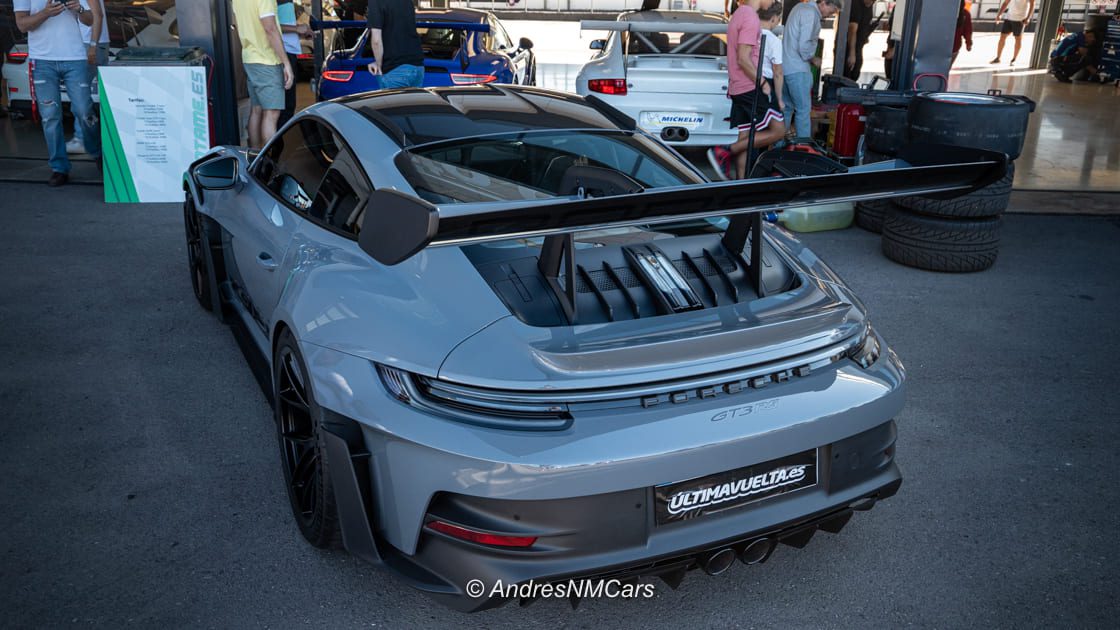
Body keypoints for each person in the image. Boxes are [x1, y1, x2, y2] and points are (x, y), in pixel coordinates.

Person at [14, 0, 102, 187]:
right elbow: (21, 25)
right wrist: (46, 12)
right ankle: (59, 168)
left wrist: (78, 8)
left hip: (75, 57)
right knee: (50, 116)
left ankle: (97, 153)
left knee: (84, 110)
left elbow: (89, 20)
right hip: (42, 60)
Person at [705, 0, 785, 181]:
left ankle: (742, 180)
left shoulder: (738, 14)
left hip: (737, 85)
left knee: (746, 133)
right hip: (751, 85)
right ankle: (724, 151)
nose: (773, 1)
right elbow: (743, 58)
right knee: (779, 130)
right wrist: (763, 82)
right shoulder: (750, 18)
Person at [231, 0, 294, 149]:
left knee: (256, 109)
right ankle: (266, 165)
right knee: (271, 114)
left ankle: (253, 159)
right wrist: (286, 63)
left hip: (250, 57)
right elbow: (270, 28)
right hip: (267, 60)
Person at [782, 0, 843, 139]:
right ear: (824, 3)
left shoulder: (799, 7)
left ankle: (778, 146)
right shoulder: (811, 14)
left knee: (786, 110)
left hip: (785, 68)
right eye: (832, 11)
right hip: (798, 69)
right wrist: (813, 58)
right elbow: (804, 45)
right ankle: (803, 147)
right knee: (803, 111)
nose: (829, 15)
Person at [68, 0, 107, 155]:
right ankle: (85, 138)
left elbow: (98, 15)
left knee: (80, 97)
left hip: (89, 43)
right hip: (93, 43)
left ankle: (82, 139)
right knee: (81, 97)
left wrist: (92, 45)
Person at [365, 0, 425, 90]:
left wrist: (379, 65)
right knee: (412, 104)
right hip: (417, 66)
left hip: (395, 70)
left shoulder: (376, 1)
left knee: (392, 104)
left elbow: (376, 41)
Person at [276, 0, 311, 128]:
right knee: (283, 108)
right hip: (282, 53)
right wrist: (297, 29)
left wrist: (300, 32)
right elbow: (271, 26)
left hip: (288, 51)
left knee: (287, 106)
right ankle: (280, 144)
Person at [991, 0, 1035, 65]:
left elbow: (1032, 4)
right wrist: (999, 14)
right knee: (1002, 37)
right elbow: (1006, 2)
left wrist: (1028, 18)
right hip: (1009, 17)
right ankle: (998, 58)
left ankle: (1014, 59)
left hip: (1020, 19)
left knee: (1018, 39)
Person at [843, 0, 874, 81]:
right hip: (849, 46)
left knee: (855, 74)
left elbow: (864, 23)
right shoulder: (855, 4)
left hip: (859, 45)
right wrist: (852, 53)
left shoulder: (869, 5)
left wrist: (864, 36)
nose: (872, 2)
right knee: (847, 76)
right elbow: (852, 30)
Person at [951, 2, 973, 69]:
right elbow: (968, 31)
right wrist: (968, 44)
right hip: (954, 47)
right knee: (945, 69)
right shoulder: (965, 14)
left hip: (938, 46)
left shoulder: (943, 11)